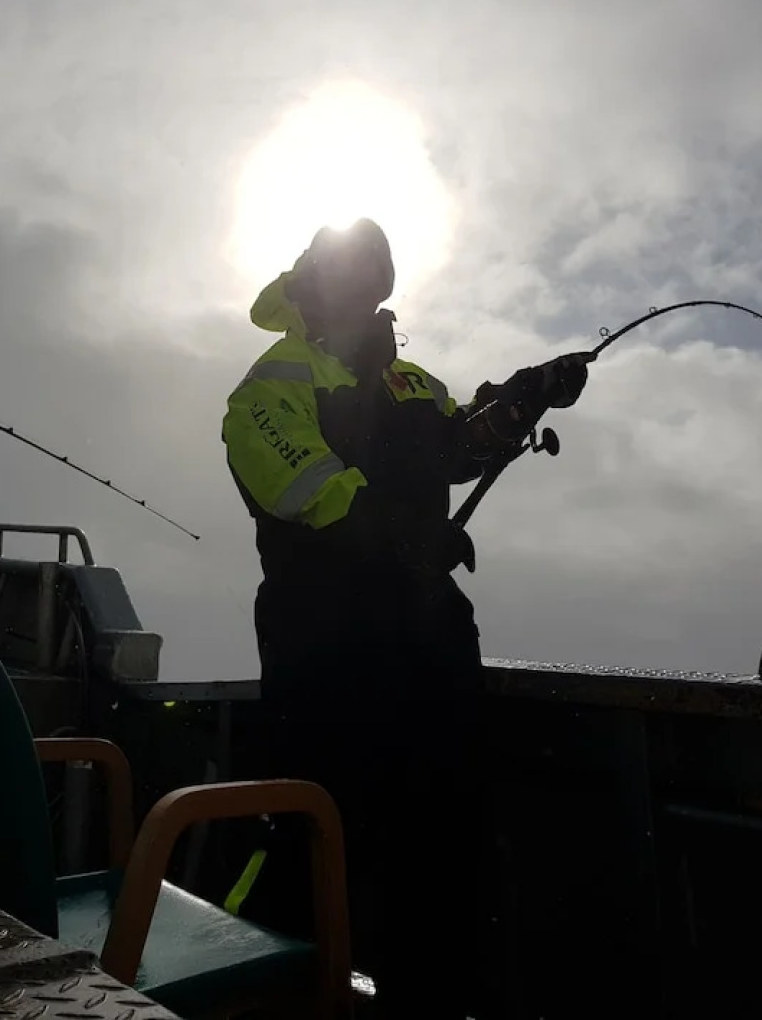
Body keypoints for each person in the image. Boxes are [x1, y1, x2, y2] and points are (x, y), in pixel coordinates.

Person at [221, 218, 589, 1018]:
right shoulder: (271, 384)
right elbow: (305, 486)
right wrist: (402, 534)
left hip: (431, 641)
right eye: (345, 272)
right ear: (310, 286)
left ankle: (432, 997)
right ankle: (270, 992)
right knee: (315, 831)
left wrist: (517, 402)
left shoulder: (413, 382)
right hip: (323, 647)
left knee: (443, 830)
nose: (361, 287)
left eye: (372, 273)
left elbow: (461, 447)